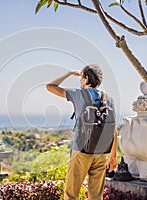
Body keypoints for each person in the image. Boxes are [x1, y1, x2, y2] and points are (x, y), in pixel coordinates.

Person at [46, 64, 118, 200]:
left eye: (81, 77)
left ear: (85, 78)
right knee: (96, 196)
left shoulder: (78, 94)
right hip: (102, 152)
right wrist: (113, 155)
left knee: (71, 193)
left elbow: (50, 86)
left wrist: (69, 73)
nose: (80, 80)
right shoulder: (108, 98)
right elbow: (114, 129)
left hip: (81, 150)